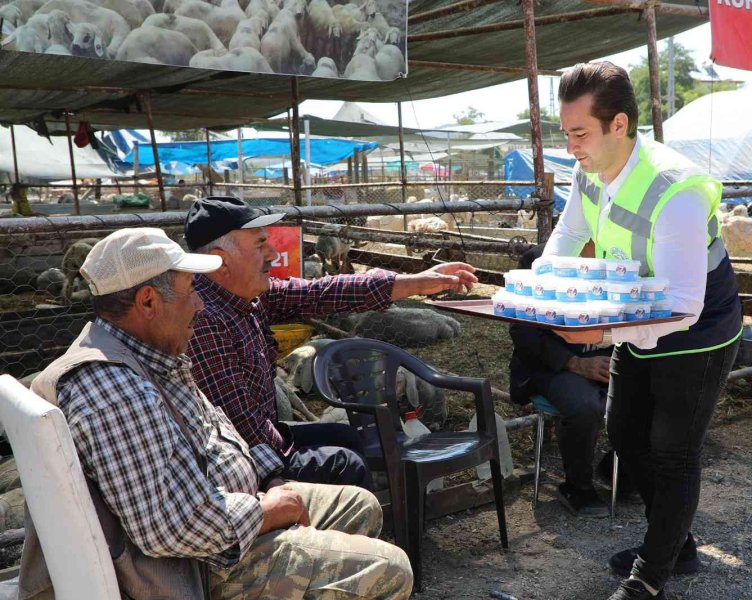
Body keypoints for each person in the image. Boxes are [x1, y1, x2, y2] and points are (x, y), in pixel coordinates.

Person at [21, 227, 412, 599]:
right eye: (190, 290)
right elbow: (169, 527)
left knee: (358, 505)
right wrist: (264, 511)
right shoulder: (115, 389)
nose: (200, 303)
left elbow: (214, 434)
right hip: (195, 567)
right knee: (390, 568)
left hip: (221, 514)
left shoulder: (149, 355)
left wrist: (269, 476)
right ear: (148, 302)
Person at [545, 62, 743, 600]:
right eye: (566, 133)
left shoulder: (675, 188)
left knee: (673, 449)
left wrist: (600, 333)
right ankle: (675, 544)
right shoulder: (589, 170)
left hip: (697, 324)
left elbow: (681, 306)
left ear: (619, 125)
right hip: (635, 313)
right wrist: (542, 293)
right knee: (626, 431)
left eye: (579, 133)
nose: (571, 147)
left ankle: (651, 576)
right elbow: (568, 234)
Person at [183, 196, 478, 488]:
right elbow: (240, 425)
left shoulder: (244, 296)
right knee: (345, 464)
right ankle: (347, 514)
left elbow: (321, 292)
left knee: (349, 438)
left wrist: (417, 282)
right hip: (239, 460)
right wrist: (275, 481)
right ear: (222, 260)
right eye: (260, 244)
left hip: (265, 438)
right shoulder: (204, 320)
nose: (272, 253)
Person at [508, 244, 634, 516]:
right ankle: (577, 486)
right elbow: (523, 331)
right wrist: (574, 363)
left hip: (606, 359)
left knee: (649, 393)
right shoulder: (540, 260)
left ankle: (618, 471)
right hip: (551, 366)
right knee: (585, 405)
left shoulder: (618, 258)